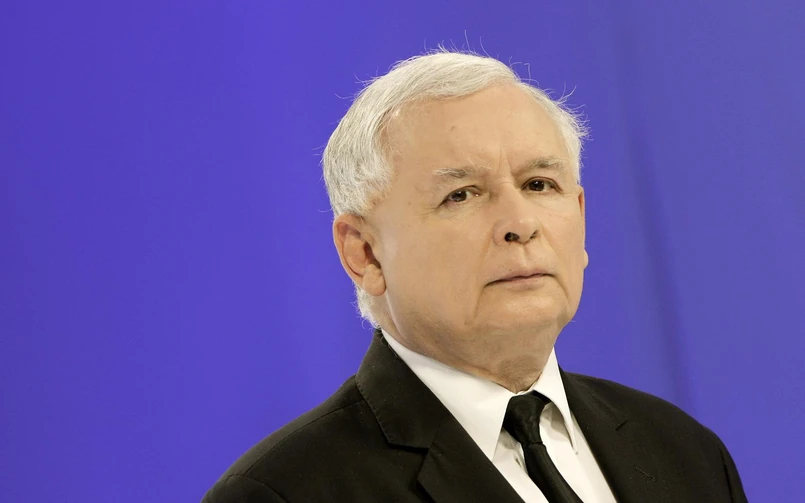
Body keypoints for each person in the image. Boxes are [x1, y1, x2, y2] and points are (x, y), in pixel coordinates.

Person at [202, 50, 747, 503]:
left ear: (580, 219)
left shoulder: (685, 452)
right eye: (461, 194)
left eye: (539, 184)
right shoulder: (283, 493)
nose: (520, 224)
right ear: (364, 254)